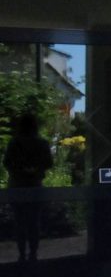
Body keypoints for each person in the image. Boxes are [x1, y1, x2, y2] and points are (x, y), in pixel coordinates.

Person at [4, 112, 53, 262]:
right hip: (35, 186)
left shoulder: (14, 143)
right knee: (34, 221)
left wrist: (19, 170)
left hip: (17, 185)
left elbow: (7, 162)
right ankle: (33, 253)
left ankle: (21, 254)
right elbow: (49, 163)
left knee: (20, 221)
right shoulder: (42, 143)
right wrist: (36, 170)